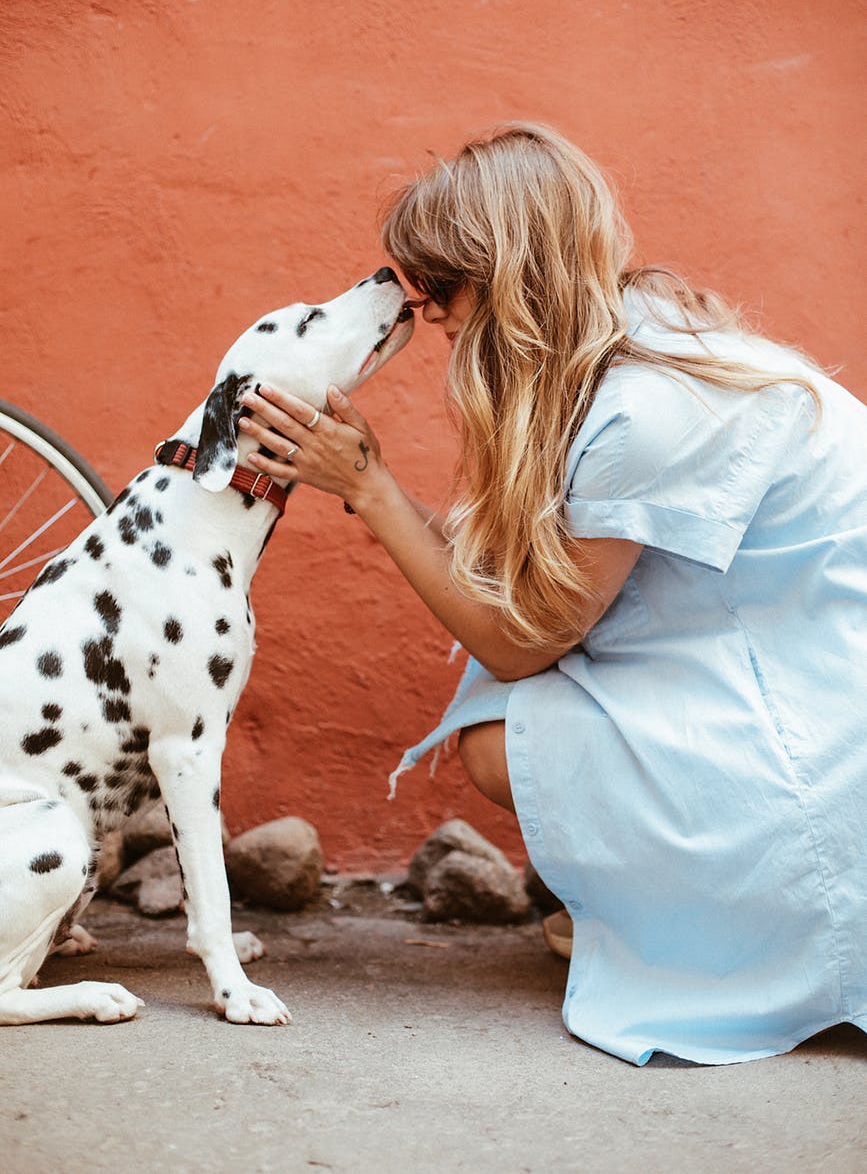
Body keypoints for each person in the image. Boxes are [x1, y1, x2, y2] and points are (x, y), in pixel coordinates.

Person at [239, 123, 867, 1066]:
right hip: (779, 657)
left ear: (505, 275)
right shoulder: (629, 338)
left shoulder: (647, 410)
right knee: (517, 707)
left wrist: (367, 486)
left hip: (822, 715)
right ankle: (667, 904)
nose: (427, 312)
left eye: (441, 287)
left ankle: (732, 923)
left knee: (504, 731)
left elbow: (518, 640)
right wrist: (372, 483)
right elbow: (520, 569)